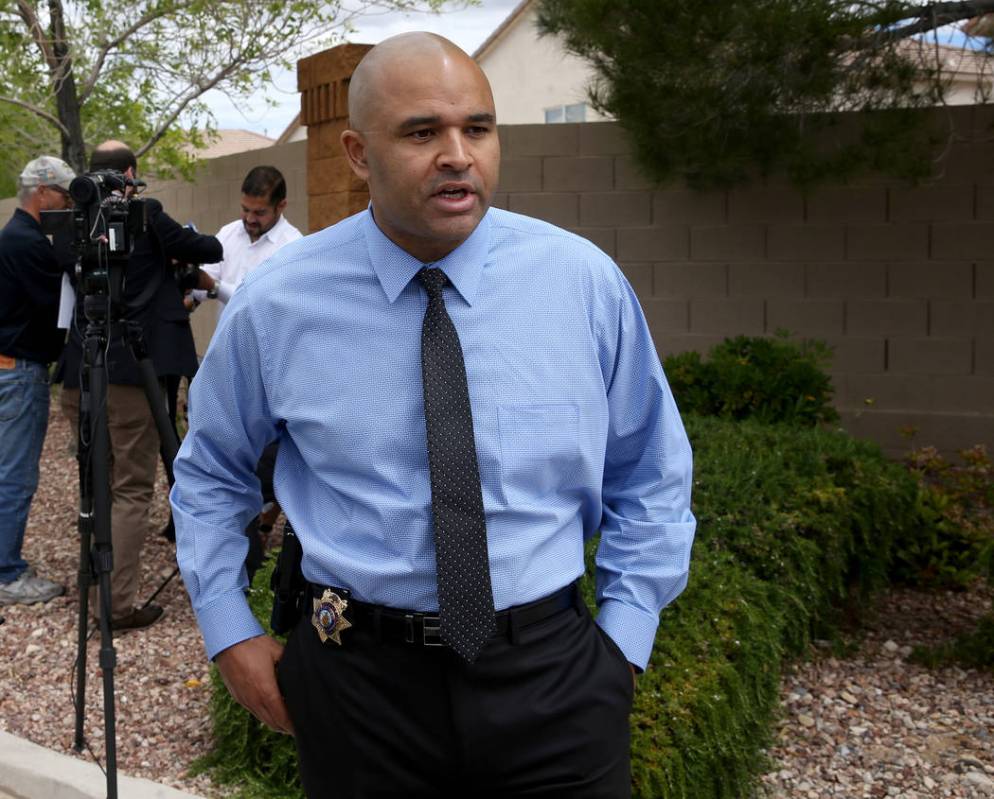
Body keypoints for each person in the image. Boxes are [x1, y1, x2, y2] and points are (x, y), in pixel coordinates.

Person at [171, 32, 696, 798]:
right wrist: (230, 628)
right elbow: (213, 470)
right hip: (359, 686)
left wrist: (623, 642)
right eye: (423, 132)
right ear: (357, 152)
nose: (458, 154)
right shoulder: (278, 304)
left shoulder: (582, 284)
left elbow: (651, 468)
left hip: (554, 680)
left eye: (477, 128)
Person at [61, 141, 222, 631]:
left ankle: (92, 589)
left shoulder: (74, 221)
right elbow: (210, 249)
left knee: (98, 482)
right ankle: (116, 604)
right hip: (131, 370)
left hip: (81, 369)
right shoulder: (146, 214)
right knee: (131, 488)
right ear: (130, 174)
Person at [0, 156, 76, 606]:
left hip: (10, 366)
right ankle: (8, 573)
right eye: (65, 196)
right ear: (43, 192)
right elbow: (61, 300)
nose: (67, 205)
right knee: (15, 476)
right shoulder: (26, 242)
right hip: (21, 372)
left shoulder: (13, 236)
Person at [196, 165, 302, 306]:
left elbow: (265, 304)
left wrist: (215, 287)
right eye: (245, 209)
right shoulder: (228, 233)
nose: (250, 219)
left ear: (281, 206)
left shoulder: (294, 246)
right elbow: (204, 281)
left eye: (260, 213)